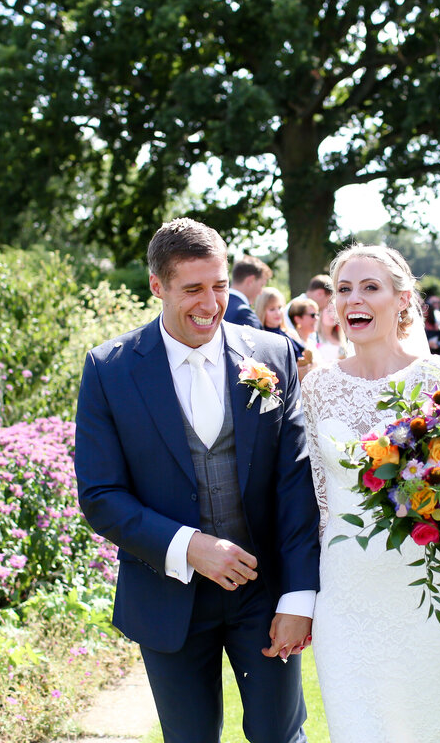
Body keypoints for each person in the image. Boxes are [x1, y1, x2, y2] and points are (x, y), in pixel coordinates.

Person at [74, 219, 321, 743]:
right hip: (166, 599)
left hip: (265, 593)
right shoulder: (109, 370)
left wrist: (299, 597)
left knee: (281, 736)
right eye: (192, 289)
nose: (210, 303)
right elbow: (100, 496)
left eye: (220, 285)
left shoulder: (272, 356)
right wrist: (189, 547)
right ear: (157, 286)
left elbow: (294, 483)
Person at [301, 244, 440, 742]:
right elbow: (316, 494)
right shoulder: (317, 388)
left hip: (426, 585)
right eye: (344, 289)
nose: (355, 299)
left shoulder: (434, 378)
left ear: (402, 300)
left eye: (370, 287)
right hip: (348, 591)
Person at [256, 287, 305, 359]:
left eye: (279, 307)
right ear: (262, 311)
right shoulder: (260, 338)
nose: (278, 313)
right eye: (272, 309)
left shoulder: (290, 333)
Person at [224, 256, 271, 329]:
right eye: (261, 285)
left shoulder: (217, 306)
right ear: (250, 281)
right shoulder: (243, 314)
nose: (260, 292)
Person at [287, 297, 321, 381]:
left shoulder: (311, 342)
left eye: (317, 314)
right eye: (312, 315)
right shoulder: (294, 345)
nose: (317, 318)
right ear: (297, 319)